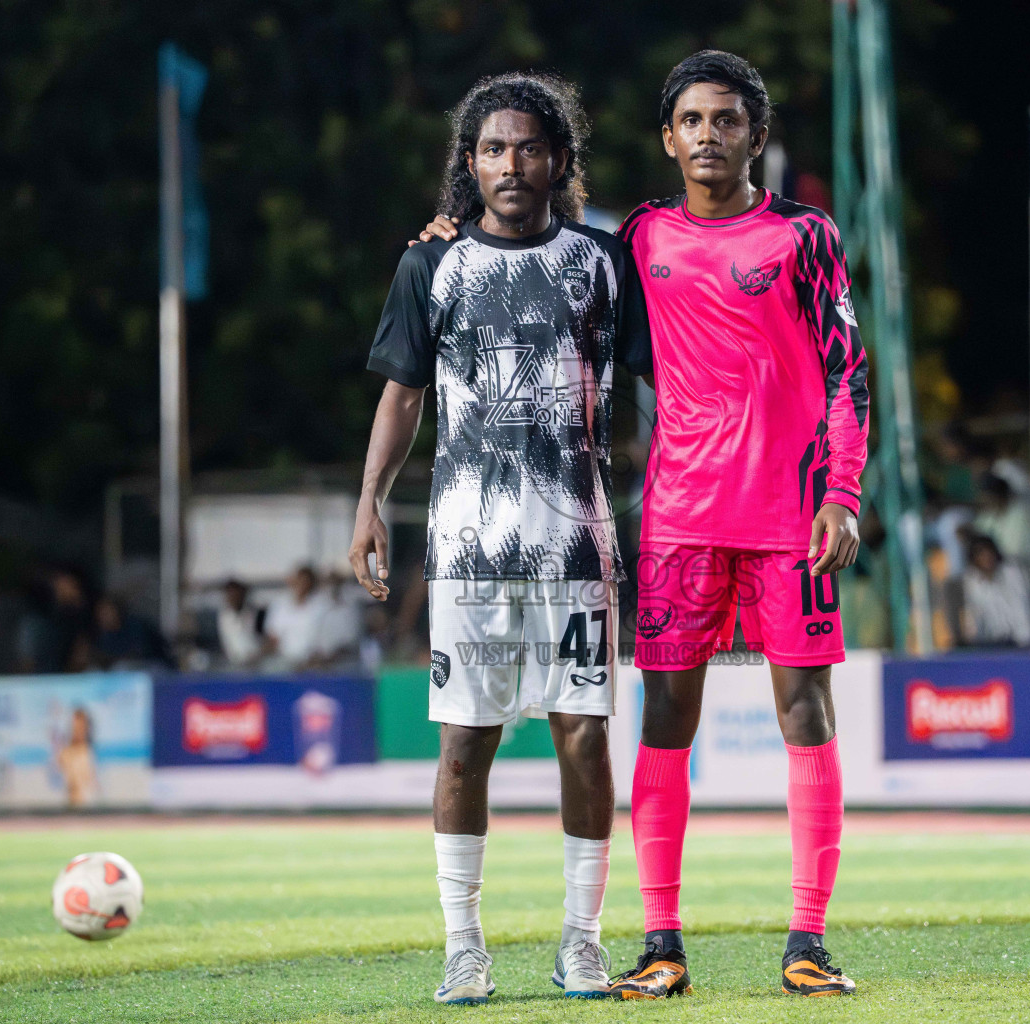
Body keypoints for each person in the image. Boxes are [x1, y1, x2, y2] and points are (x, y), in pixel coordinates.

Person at [422, 53, 867, 997]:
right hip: (675, 523)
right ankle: (660, 940)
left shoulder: (806, 236)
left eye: (728, 120)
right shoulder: (637, 241)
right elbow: (533, 248)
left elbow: (846, 371)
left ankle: (809, 940)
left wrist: (843, 492)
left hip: (792, 515)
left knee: (806, 713)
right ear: (668, 139)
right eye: (692, 121)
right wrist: (454, 227)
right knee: (665, 721)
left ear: (758, 133)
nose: (709, 135)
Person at [349, 72, 653, 1004]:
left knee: (583, 741)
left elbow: (655, 393)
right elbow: (402, 394)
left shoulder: (604, 262)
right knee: (464, 747)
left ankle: (581, 941)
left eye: (528, 147)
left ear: (559, 159)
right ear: (469, 164)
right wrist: (368, 502)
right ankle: (464, 947)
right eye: (492, 149)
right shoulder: (428, 266)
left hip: (575, 549)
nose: (511, 164)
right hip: (470, 550)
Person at [958, 535, 1030, 647]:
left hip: (1018, 642)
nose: (986, 557)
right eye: (980, 554)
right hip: (990, 644)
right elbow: (973, 616)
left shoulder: (1012, 573)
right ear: (973, 558)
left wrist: (1025, 643)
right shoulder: (971, 580)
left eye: (989, 552)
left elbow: (1021, 608)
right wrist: (972, 642)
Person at [973, 474, 1030, 590]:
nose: (985, 500)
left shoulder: (1021, 516)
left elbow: (1015, 555)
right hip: (996, 573)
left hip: (1024, 574)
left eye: (989, 496)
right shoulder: (986, 518)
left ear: (1000, 496)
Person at [263, 566, 333, 671]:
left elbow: (326, 640)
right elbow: (273, 638)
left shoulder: (322, 606)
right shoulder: (280, 605)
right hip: (285, 660)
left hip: (313, 661)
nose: (302, 584)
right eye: (299, 580)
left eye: (306, 581)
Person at [92, 595, 172, 670]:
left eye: (106, 613)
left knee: (120, 667)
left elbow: (138, 653)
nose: (102, 617)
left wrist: (115, 660)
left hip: (155, 666)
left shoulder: (135, 626)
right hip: (126, 672)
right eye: (100, 614)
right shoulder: (105, 636)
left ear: (116, 611)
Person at [216, 579, 265, 667]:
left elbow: (266, 641)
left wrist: (256, 656)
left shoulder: (258, 614)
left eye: (236, 595)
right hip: (234, 663)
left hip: (257, 663)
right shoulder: (223, 616)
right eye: (230, 595)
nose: (233, 598)